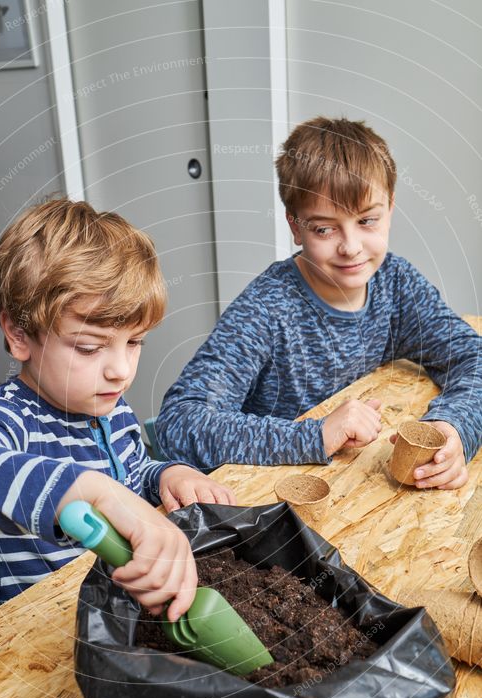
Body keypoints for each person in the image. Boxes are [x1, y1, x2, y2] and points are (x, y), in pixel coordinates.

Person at [156, 116, 481, 489]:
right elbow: (178, 423)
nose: (351, 247)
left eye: (367, 221)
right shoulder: (267, 307)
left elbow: (473, 357)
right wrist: (315, 436)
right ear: (295, 226)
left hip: (353, 490)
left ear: (390, 208)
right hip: (271, 500)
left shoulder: (396, 283)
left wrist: (453, 426)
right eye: (325, 228)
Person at [0, 199, 234, 617]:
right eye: (88, 347)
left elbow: (131, 482)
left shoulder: (112, 410)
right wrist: (89, 492)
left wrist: (166, 475)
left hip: (117, 616)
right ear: (19, 333)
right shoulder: (5, 420)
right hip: (37, 638)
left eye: (134, 342)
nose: (120, 370)